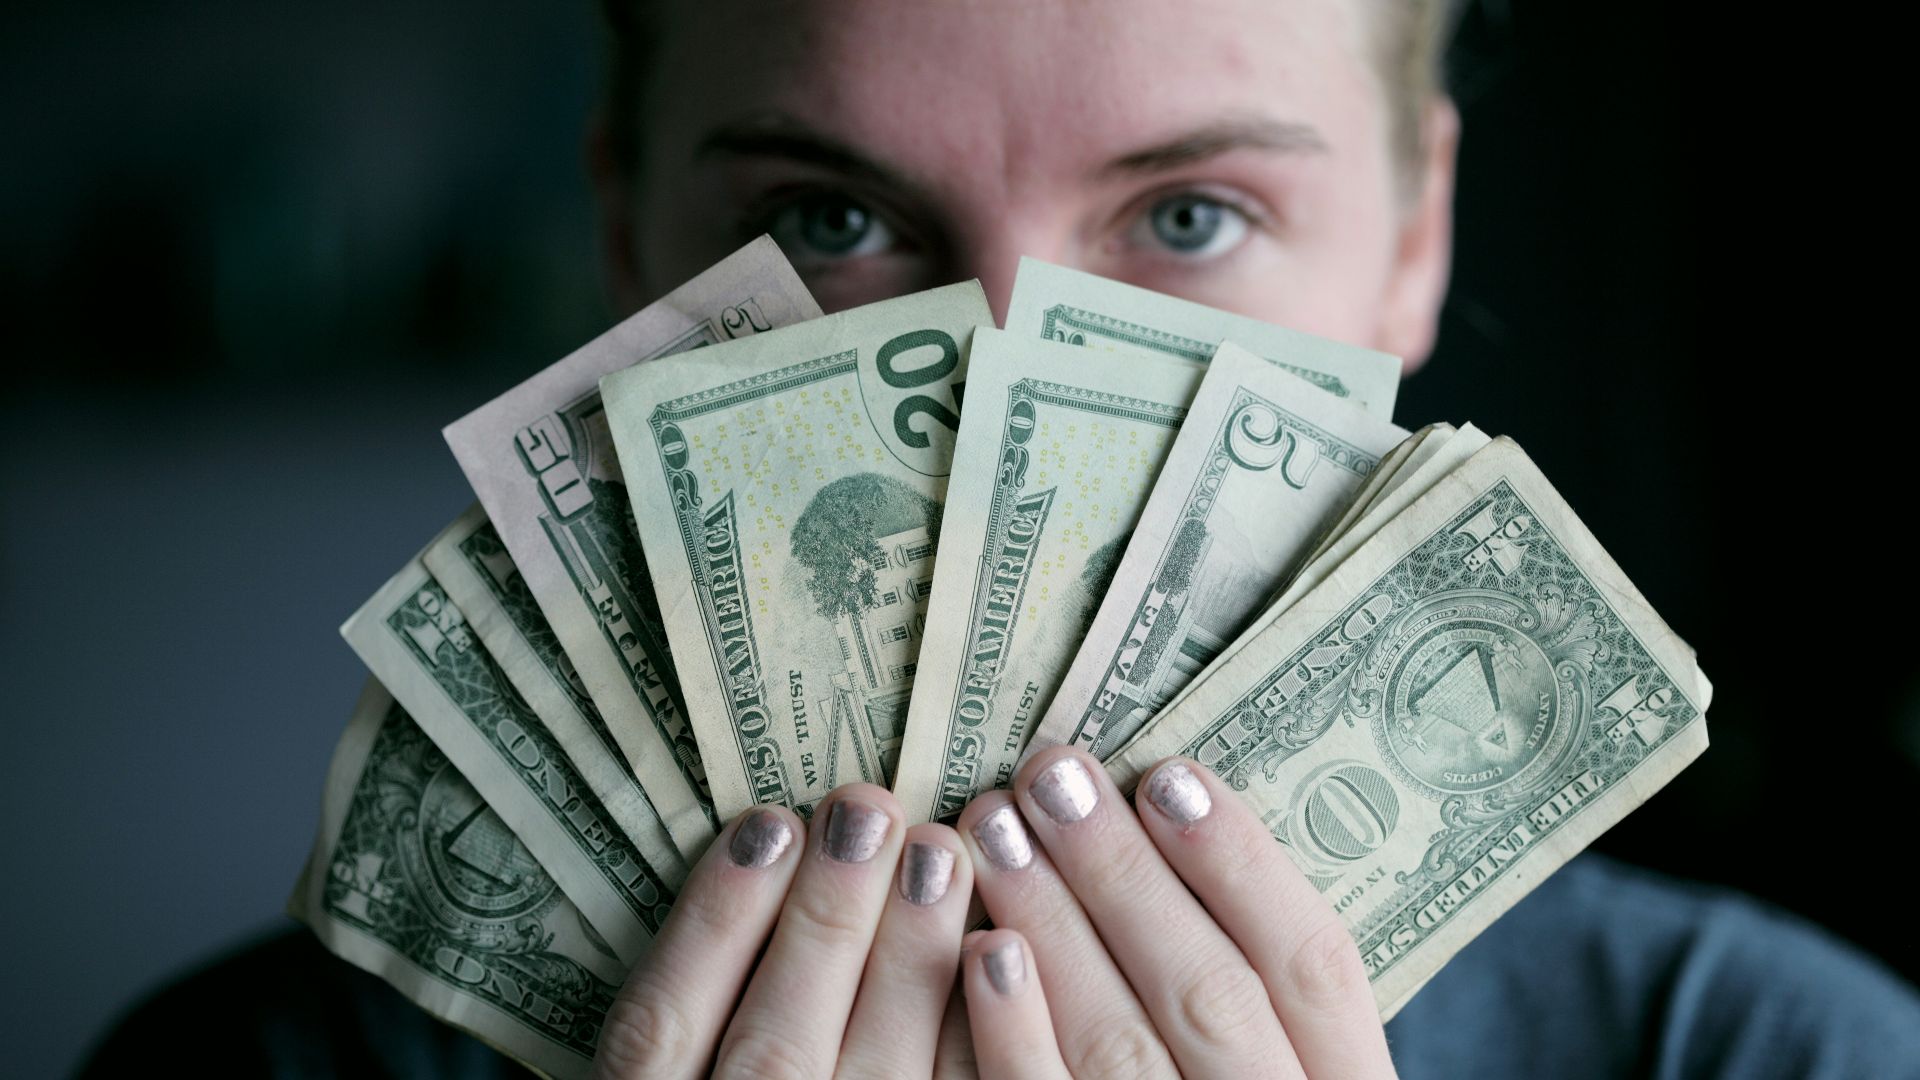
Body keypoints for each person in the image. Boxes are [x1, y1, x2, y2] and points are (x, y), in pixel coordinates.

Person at [82, 1, 1920, 1077]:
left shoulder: (1780, 1054)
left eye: (1191, 215)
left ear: (1418, 241)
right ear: (630, 241)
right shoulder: (240, 1076)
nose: (998, 372)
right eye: (829, 212)